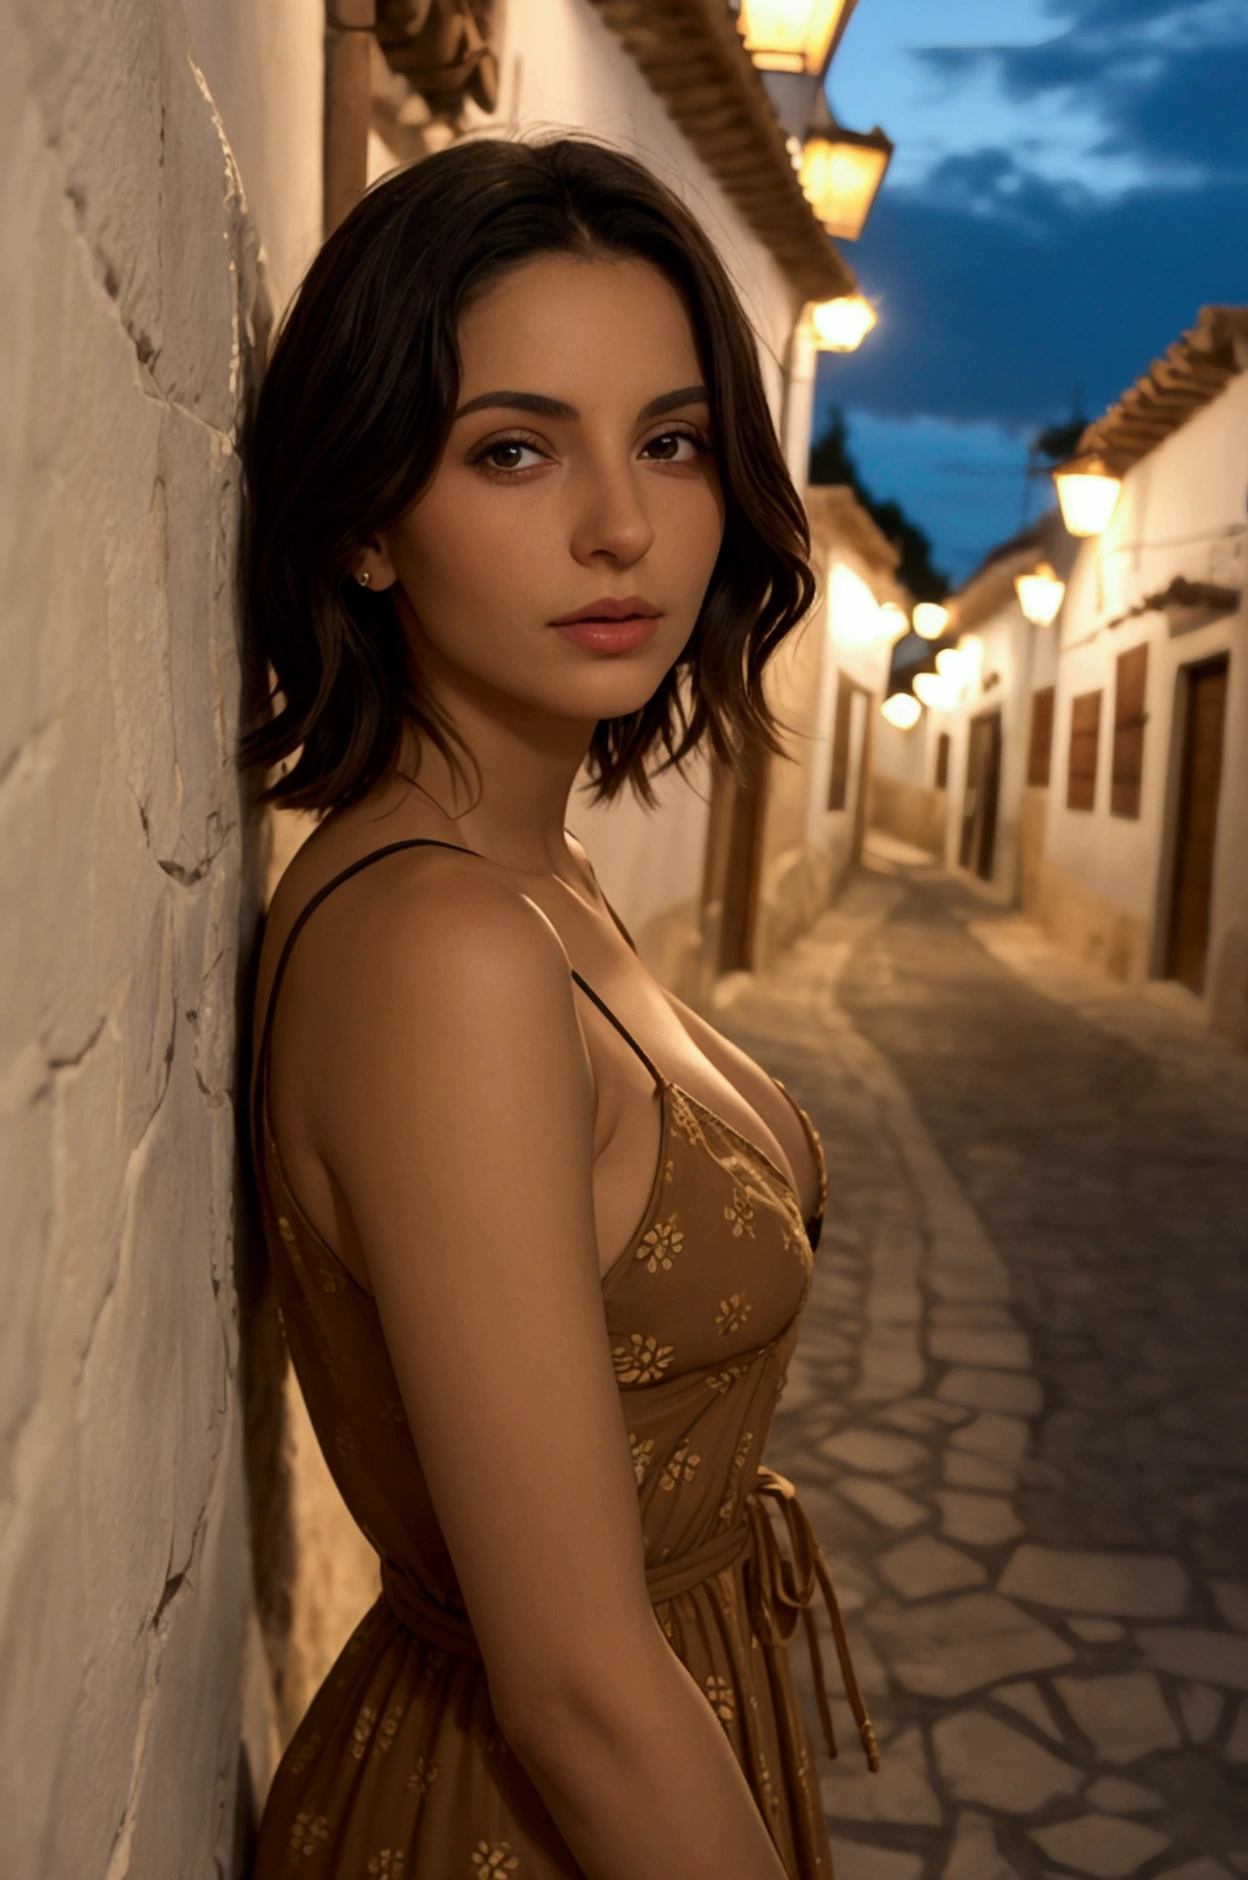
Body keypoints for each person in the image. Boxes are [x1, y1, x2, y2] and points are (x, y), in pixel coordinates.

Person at [241, 134, 876, 1880]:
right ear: (369, 518)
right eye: (513, 448)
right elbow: (581, 1690)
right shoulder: (443, 946)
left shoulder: (543, 881)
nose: (622, 524)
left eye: (669, 442)